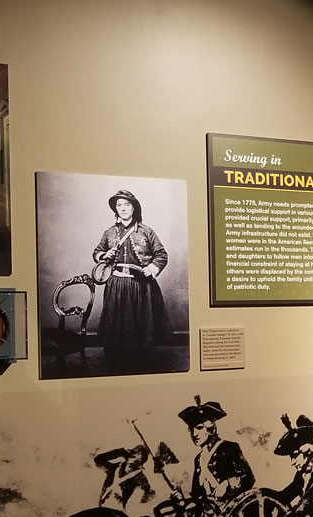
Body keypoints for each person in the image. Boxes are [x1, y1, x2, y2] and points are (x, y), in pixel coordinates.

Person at [94, 189, 171, 372]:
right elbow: (96, 252)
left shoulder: (146, 231)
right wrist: (105, 255)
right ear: (115, 209)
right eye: (119, 205)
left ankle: (141, 362)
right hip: (116, 285)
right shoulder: (109, 233)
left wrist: (151, 269)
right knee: (118, 324)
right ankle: (117, 362)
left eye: (127, 204)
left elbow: (161, 255)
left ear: (134, 208)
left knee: (141, 324)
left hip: (140, 286)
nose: (123, 208)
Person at [176, 396, 255, 501]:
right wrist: (182, 499)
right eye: (191, 430)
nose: (194, 434)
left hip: (233, 508)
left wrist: (227, 484)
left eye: (199, 428)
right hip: (212, 513)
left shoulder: (228, 448)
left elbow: (248, 478)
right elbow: (198, 496)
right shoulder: (198, 460)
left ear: (210, 428)